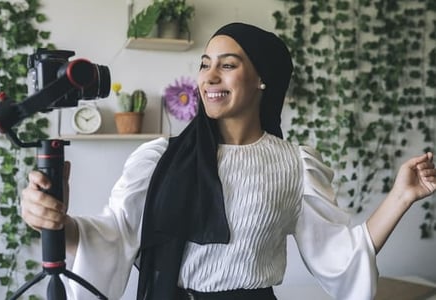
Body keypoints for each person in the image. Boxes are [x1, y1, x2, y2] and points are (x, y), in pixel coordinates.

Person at [21, 23, 436, 300]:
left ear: (261, 79)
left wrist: (401, 196)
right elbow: (114, 235)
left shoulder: (295, 166)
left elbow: (340, 255)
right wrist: (59, 222)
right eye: (205, 64)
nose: (209, 77)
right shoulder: (159, 157)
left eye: (228, 65)